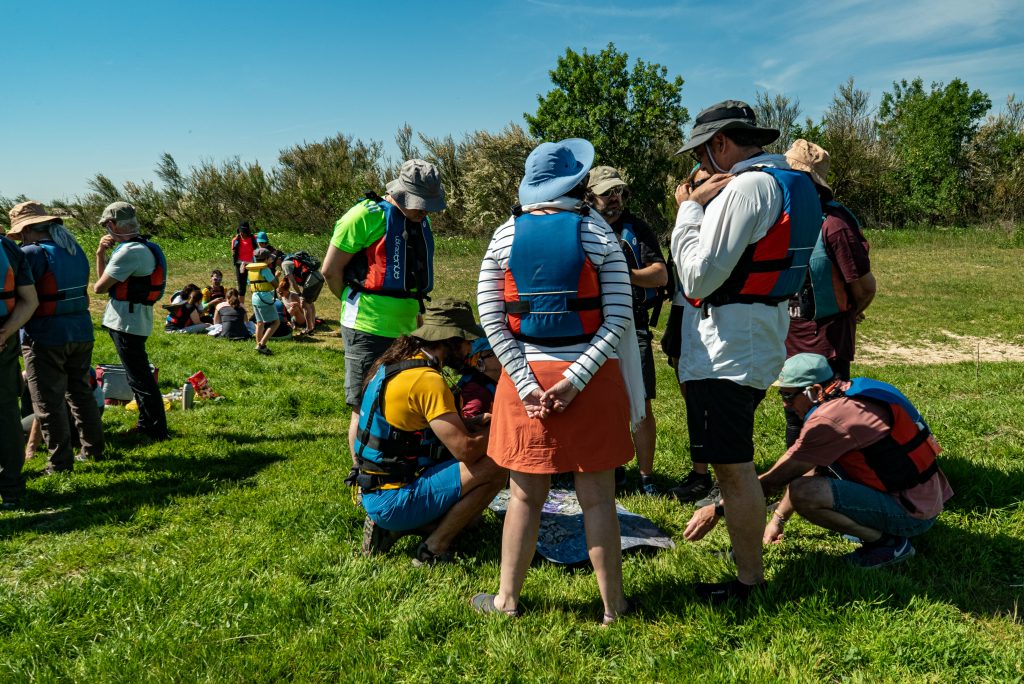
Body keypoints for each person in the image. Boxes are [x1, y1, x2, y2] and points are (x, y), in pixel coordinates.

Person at [473, 138, 636, 622]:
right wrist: (576, 379)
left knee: (524, 495)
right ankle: (614, 607)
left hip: (524, 379)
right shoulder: (599, 232)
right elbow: (618, 317)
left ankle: (506, 600)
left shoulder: (504, 235)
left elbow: (491, 316)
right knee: (599, 499)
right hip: (593, 378)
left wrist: (525, 382)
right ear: (578, 184)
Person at [670, 100, 822, 602]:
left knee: (732, 468)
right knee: (731, 462)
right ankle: (745, 550)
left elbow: (697, 276)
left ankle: (748, 580)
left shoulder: (746, 188)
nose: (699, 167)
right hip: (757, 335)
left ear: (720, 144)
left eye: (701, 154)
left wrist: (689, 210)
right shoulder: (791, 181)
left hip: (728, 349)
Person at [684, 353, 953, 569]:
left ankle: (888, 544)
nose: (785, 405)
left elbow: (777, 480)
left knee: (806, 494)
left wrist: (718, 509)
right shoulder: (856, 391)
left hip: (911, 513)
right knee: (807, 484)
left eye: (788, 396)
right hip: (924, 498)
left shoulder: (831, 420)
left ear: (814, 390)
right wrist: (778, 519)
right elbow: (809, 466)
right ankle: (876, 527)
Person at [357, 299, 507, 565]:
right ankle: (434, 548)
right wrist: (504, 426)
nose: (469, 349)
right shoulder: (427, 380)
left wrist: (468, 423)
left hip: (376, 489)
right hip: (394, 499)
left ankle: (395, 529)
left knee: (472, 520)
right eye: (466, 341)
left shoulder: (393, 364)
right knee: (498, 464)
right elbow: (467, 451)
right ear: (450, 341)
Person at [321, 159, 445, 476]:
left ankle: (401, 463)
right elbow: (330, 271)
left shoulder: (419, 221)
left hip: (410, 326)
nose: (425, 211)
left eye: (428, 205)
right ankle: (363, 476)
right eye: (420, 203)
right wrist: (353, 301)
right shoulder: (364, 216)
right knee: (364, 403)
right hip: (366, 326)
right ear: (401, 193)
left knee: (405, 398)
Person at [784, 139, 876, 446]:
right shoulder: (781, 220)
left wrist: (850, 311)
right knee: (793, 415)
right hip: (790, 340)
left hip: (827, 344)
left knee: (828, 417)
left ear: (810, 183)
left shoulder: (835, 226)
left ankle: (828, 475)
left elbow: (864, 288)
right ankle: (800, 475)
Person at [586, 166, 668, 495]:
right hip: (591, 326)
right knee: (599, 401)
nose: (615, 198)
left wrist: (621, 272)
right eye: (607, 192)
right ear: (589, 196)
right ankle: (611, 467)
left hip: (633, 323)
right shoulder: (580, 226)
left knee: (641, 401)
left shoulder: (636, 228)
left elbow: (660, 275)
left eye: (619, 191)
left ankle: (646, 477)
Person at [8, 201, 105, 473]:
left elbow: (16, 293)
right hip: (81, 331)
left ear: (26, 230)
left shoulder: (30, 253)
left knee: (47, 402)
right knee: (80, 393)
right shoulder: (73, 249)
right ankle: (93, 449)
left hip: (46, 335)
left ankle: (59, 463)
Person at [93, 202, 169, 441]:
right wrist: (100, 254)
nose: (106, 230)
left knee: (139, 377)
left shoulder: (129, 252)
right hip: (136, 319)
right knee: (137, 375)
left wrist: (101, 254)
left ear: (113, 224)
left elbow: (99, 288)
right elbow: (105, 283)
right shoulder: (142, 247)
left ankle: (153, 428)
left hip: (126, 321)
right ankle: (150, 424)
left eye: (106, 225)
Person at [0, 222, 39, 507]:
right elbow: (30, 301)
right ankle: (11, 487)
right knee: (5, 412)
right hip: (4, 340)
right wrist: (5, 334)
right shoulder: (9, 248)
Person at [280, 251, 324, 336]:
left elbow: (292, 282)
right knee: (309, 302)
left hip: (312, 279)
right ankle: (312, 326)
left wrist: (299, 294)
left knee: (305, 304)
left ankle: (309, 328)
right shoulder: (292, 260)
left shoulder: (284, 264)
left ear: (278, 259)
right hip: (318, 276)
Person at [457, 337, 500, 420]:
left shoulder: (488, 382)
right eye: (494, 352)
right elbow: (469, 425)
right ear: (479, 362)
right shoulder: (477, 392)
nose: (502, 354)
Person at [246, 248, 279, 355]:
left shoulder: (251, 270)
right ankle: (262, 345)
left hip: (255, 297)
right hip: (265, 298)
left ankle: (258, 345)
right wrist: (277, 276)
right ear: (266, 259)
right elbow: (275, 285)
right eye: (269, 257)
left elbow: (249, 283)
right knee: (275, 322)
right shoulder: (265, 270)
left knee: (260, 323)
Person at [231, 222, 258, 295]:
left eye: (245, 232)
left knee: (254, 285)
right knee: (241, 288)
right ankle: (240, 302)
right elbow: (233, 253)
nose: (243, 234)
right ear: (239, 231)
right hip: (240, 264)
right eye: (242, 232)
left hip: (252, 264)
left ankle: (255, 300)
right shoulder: (235, 240)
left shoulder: (254, 238)